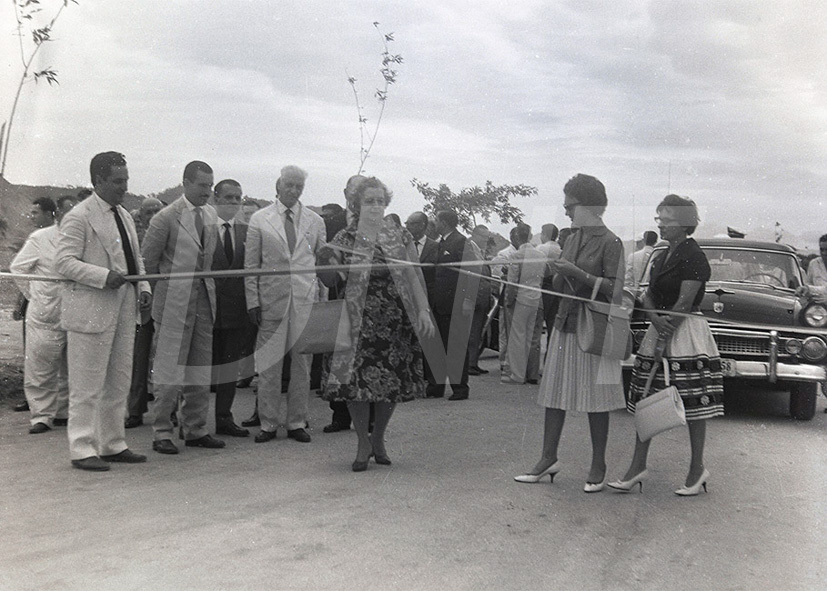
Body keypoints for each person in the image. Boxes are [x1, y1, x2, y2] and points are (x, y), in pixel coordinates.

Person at [515, 174, 625, 492]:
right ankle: (547, 458)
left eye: (570, 206)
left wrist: (579, 274)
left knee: (597, 399)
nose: (565, 211)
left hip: (595, 330)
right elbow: (563, 286)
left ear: (588, 206)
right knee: (554, 395)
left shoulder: (611, 241)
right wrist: (556, 273)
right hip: (565, 324)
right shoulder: (571, 238)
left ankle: (598, 465)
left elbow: (617, 293)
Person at [609, 195, 725, 495]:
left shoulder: (694, 256)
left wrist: (666, 329)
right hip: (659, 327)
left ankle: (697, 469)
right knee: (647, 399)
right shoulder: (660, 255)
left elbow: (685, 301)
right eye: (659, 218)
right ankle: (637, 466)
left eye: (667, 220)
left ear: (685, 223)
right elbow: (646, 294)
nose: (660, 223)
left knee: (693, 404)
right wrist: (653, 319)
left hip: (685, 334)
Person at [319, 177, 435, 470]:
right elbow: (330, 280)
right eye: (369, 201)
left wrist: (423, 310)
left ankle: (379, 438)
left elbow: (412, 276)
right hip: (355, 318)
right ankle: (362, 441)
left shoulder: (400, 236)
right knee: (354, 384)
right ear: (356, 203)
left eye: (380, 201)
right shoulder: (344, 238)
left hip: (393, 317)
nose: (375, 206)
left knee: (390, 382)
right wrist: (323, 261)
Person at [55, 151, 151, 471]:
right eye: (117, 181)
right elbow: (64, 262)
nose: (124, 186)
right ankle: (82, 447)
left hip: (124, 307)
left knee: (119, 379)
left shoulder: (123, 215)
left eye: (126, 180)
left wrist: (145, 289)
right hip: (91, 309)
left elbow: (135, 260)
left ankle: (112, 442)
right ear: (98, 181)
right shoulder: (79, 216)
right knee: (87, 383)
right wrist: (102, 276)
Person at [142, 160, 225, 455]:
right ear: (186, 183)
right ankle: (162, 431)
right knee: (169, 372)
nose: (207, 191)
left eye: (210, 185)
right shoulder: (165, 218)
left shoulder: (211, 215)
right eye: (203, 185)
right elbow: (149, 264)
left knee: (200, 370)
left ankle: (196, 429)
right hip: (174, 305)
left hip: (205, 302)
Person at [245, 165, 326, 444]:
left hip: (305, 301)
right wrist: (253, 301)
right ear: (278, 186)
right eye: (289, 185)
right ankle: (268, 423)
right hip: (271, 301)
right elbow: (251, 265)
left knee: (302, 365)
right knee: (269, 365)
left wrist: (321, 302)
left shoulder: (315, 221)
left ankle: (296, 422)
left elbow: (320, 264)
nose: (293, 191)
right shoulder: (259, 219)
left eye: (298, 187)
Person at [10, 195, 75, 433]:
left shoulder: (84, 237)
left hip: (76, 311)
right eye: (68, 211)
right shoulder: (40, 238)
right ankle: (41, 416)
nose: (73, 215)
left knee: (71, 366)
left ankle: (64, 412)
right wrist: (34, 295)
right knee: (41, 366)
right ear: (58, 213)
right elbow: (18, 268)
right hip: (45, 313)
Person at [322, 175, 366, 434]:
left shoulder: (378, 223)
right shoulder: (331, 223)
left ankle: (369, 416)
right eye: (354, 191)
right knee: (339, 357)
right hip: (339, 296)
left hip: (369, 301)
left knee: (366, 358)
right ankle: (339, 415)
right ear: (346, 193)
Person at [210, 179, 251, 437]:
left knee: (229, 367)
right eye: (228, 198)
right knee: (202, 367)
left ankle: (224, 417)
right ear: (216, 199)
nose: (234, 203)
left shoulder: (247, 231)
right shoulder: (201, 228)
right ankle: (192, 421)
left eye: (238, 198)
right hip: (208, 309)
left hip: (237, 310)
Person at [426, 210, 480, 401]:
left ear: (445, 222)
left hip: (455, 303)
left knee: (456, 345)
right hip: (440, 303)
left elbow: (472, 272)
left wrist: (467, 299)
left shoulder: (461, 241)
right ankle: (436, 387)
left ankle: (460, 388)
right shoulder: (442, 242)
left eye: (437, 220)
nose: (434, 223)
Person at [125, 197, 164, 429]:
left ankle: (168, 411)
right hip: (141, 305)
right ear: (141, 216)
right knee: (138, 359)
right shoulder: (134, 240)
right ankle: (135, 410)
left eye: (158, 211)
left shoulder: (171, 233)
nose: (154, 215)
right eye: (149, 212)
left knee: (165, 359)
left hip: (166, 303)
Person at [502, 224, 546, 385]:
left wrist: (508, 300)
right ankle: (532, 373)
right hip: (537, 297)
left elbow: (512, 281)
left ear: (517, 237)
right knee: (533, 337)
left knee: (517, 336)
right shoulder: (540, 255)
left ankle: (518, 374)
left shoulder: (517, 255)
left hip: (521, 299)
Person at [490, 227, 520, 375]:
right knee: (505, 331)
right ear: (512, 237)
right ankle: (504, 361)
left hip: (520, 298)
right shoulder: (504, 254)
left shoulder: (524, 253)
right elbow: (497, 277)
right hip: (506, 296)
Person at [468, 225, 494, 375]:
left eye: (487, 238)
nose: (486, 240)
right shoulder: (470, 249)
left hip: (483, 298)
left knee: (478, 332)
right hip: (474, 297)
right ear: (475, 235)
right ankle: (469, 364)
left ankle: (473, 362)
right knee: (471, 332)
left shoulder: (481, 251)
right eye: (484, 237)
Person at [536, 223, 562, 346]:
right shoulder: (560, 250)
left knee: (537, 323)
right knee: (552, 325)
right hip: (557, 287)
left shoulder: (541, 248)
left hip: (544, 286)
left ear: (545, 234)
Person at [624, 230, 658, 296]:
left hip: (636, 293)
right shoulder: (658, 255)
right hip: (652, 294)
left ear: (644, 240)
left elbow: (628, 278)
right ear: (656, 241)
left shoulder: (633, 256)